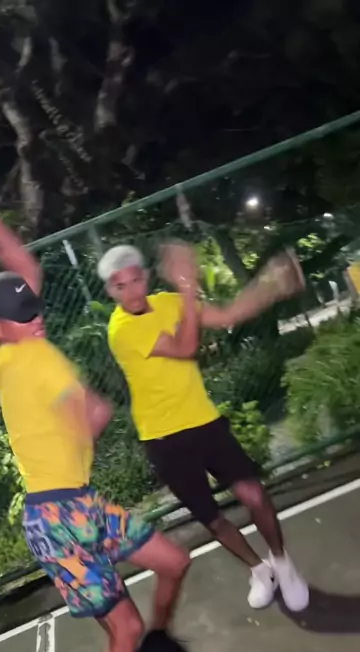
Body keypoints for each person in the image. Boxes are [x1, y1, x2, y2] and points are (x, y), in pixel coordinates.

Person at [0, 179, 205, 652]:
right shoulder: (38, 359)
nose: (37, 319)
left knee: (173, 561)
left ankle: (159, 641)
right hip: (59, 521)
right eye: (25, 316)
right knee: (123, 629)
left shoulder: (1, 352)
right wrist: (89, 405)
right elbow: (93, 417)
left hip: (77, 505)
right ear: (1, 325)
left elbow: (24, 271)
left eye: (34, 310)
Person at [103, 242, 310, 613]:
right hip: (164, 439)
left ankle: (282, 563)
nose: (131, 291)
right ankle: (260, 570)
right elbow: (185, 349)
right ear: (110, 291)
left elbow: (228, 313)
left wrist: (271, 284)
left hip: (204, 422)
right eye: (121, 286)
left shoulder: (169, 302)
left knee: (254, 495)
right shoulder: (121, 330)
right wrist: (187, 286)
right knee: (213, 520)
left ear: (145, 277)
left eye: (135, 280)